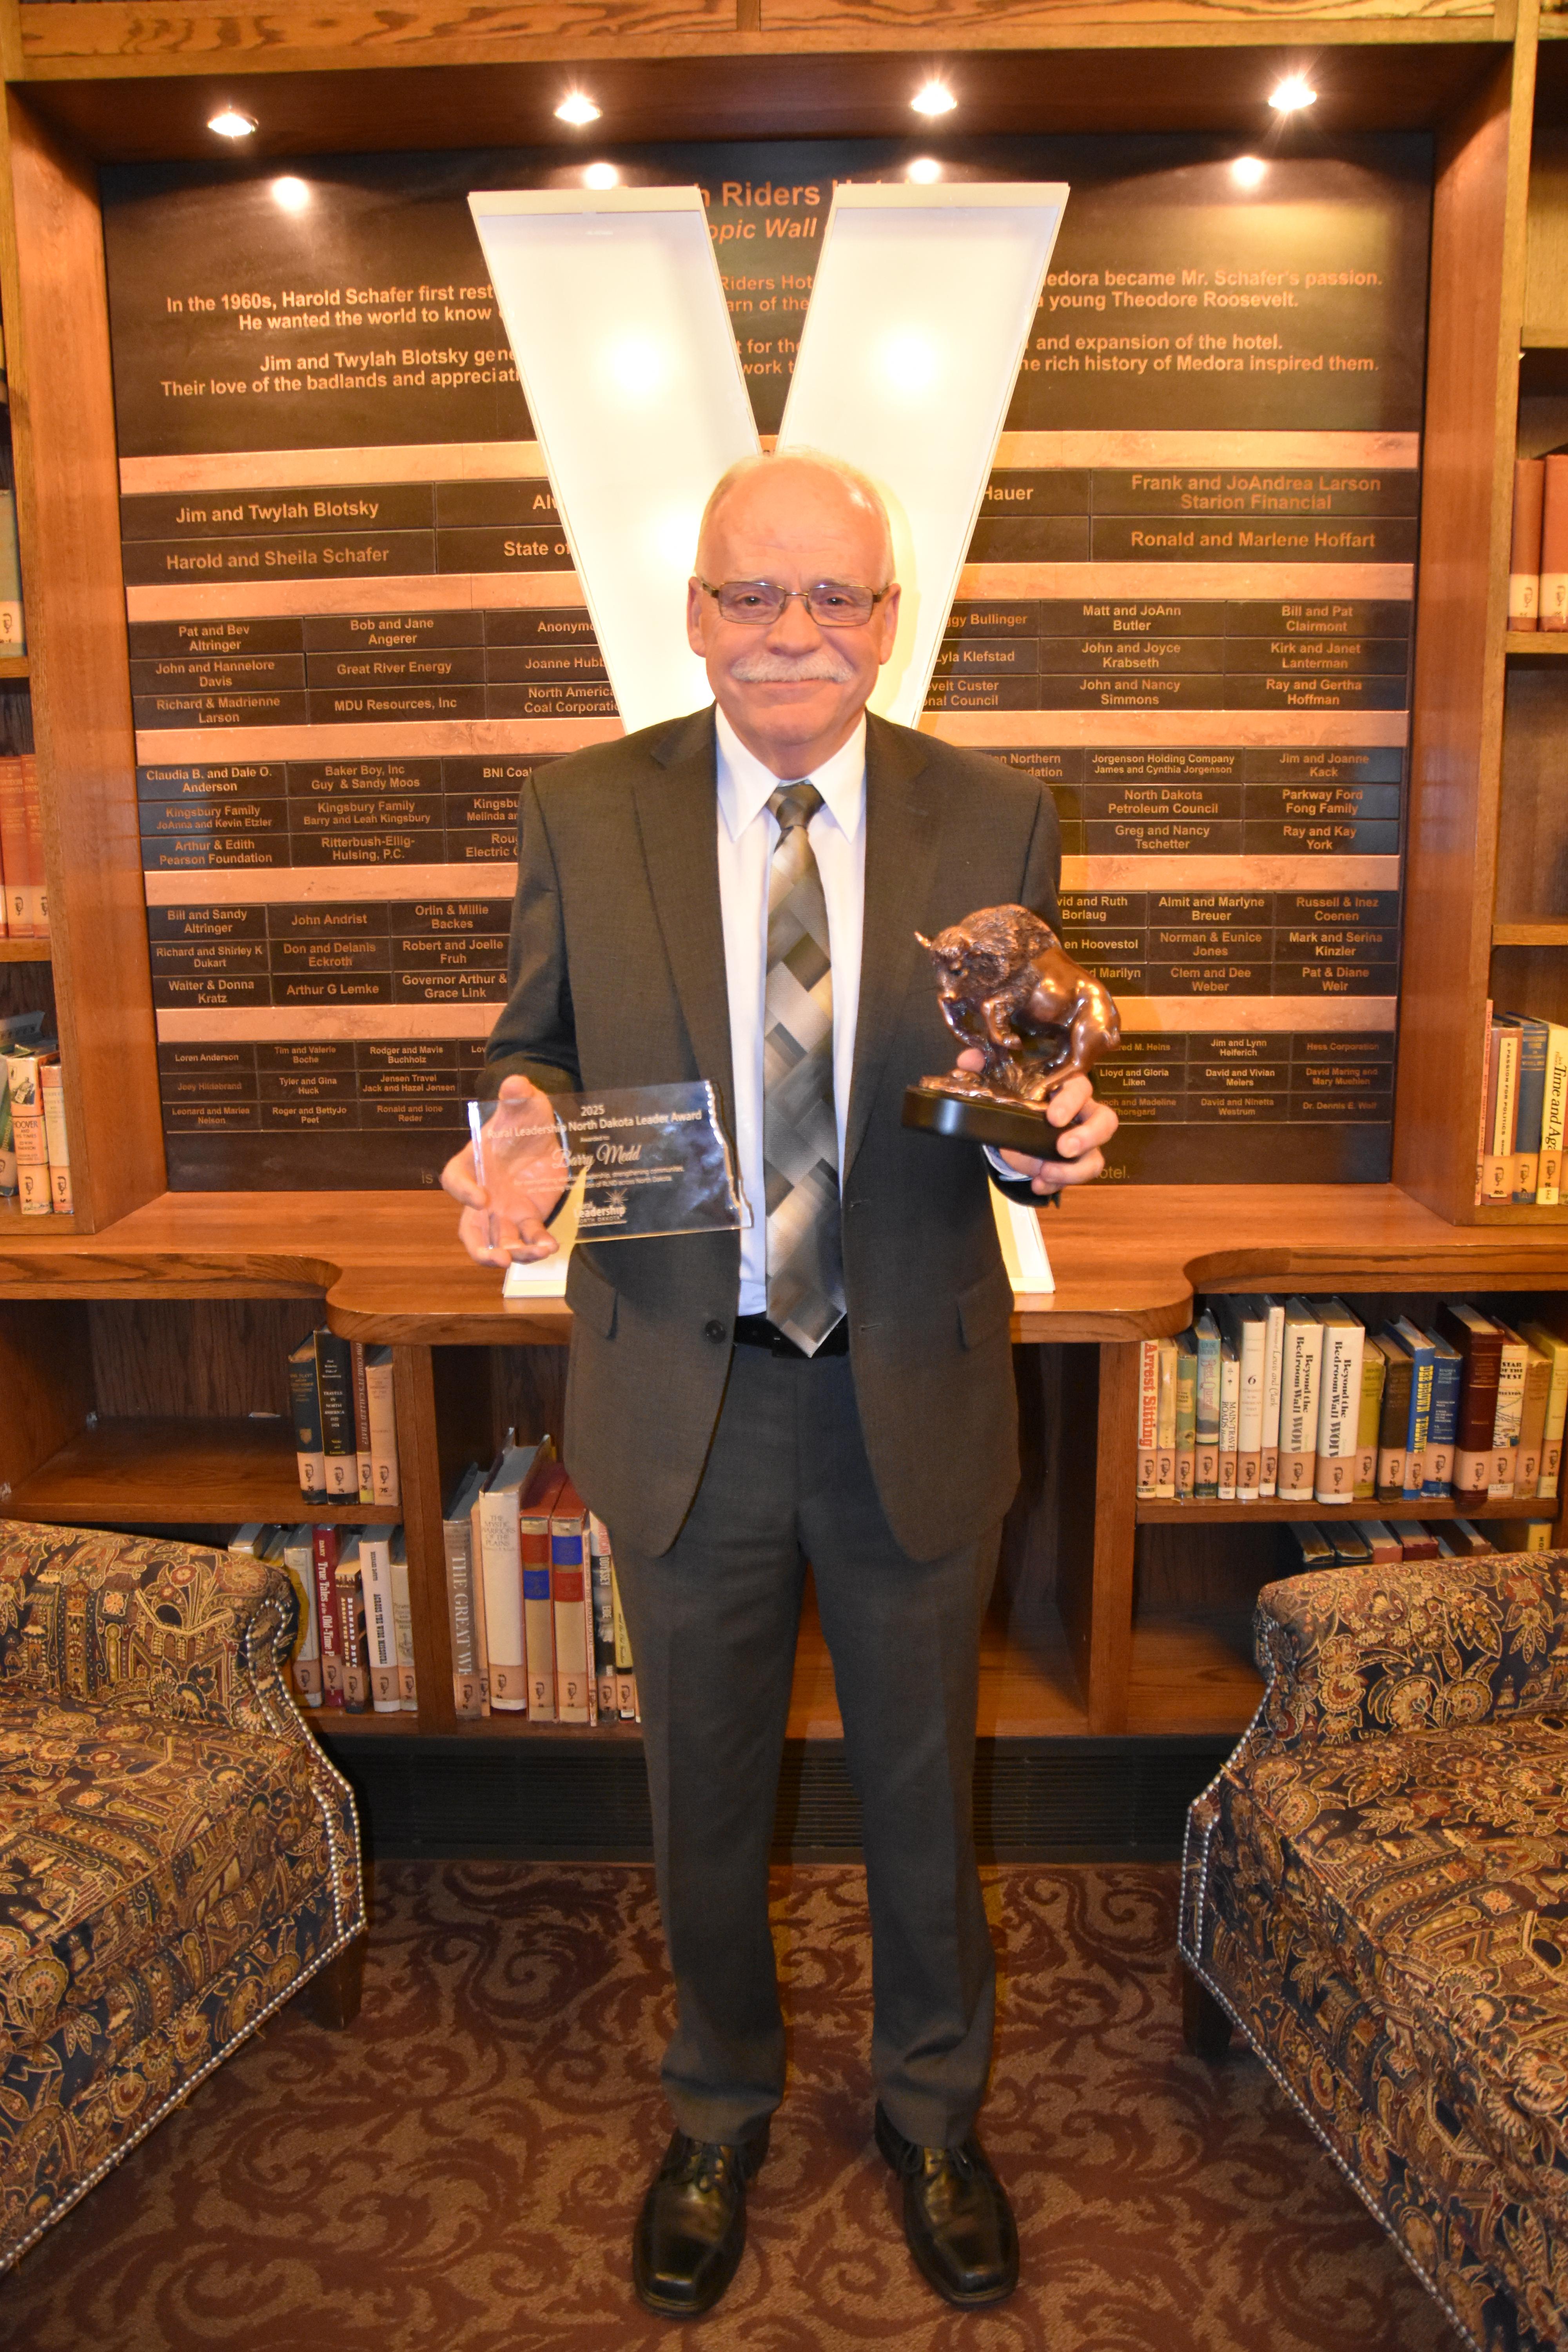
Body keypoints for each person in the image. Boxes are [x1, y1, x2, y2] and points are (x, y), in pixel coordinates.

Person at [442, 449, 1118, 2318]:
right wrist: (504, 1141)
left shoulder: (997, 811)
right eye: (756, 596)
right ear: (694, 610)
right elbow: (532, 1051)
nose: (796, 635)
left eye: (838, 598)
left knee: (925, 1784)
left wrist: (1052, 1140)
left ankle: (932, 2110)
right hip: (686, 1388)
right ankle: (716, 2105)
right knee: (702, 1792)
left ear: (889, 616)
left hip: (909, 1380)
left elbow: (1018, 1068)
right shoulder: (588, 809)